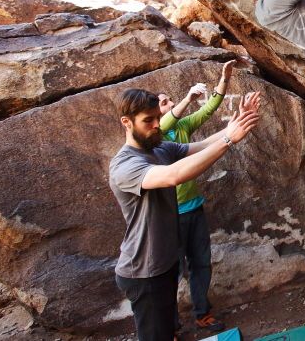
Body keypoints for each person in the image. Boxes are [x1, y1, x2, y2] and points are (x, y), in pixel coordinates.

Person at [109, 88, 260, 341]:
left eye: (158, 117)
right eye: (148, 120)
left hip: (163, 265)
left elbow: (200, 146)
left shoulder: (159, 149)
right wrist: (229, 140)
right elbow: (174, 175)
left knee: (167, 333)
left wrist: (236, 123)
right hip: (144, 272)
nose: (158, 125)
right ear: (127, 122)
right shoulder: (124, 165)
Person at [157, 60, 236, 333]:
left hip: (194, 210)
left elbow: (210, 108)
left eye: (168, 99)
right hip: (170, 216)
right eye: (163, 102)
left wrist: (224, 78)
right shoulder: (153, 139)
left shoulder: (182, 129)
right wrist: (187, 98)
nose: (167, 103)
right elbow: (166, 121)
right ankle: (171, 328)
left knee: (201, 263)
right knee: (171, 273)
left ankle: (202, 313)